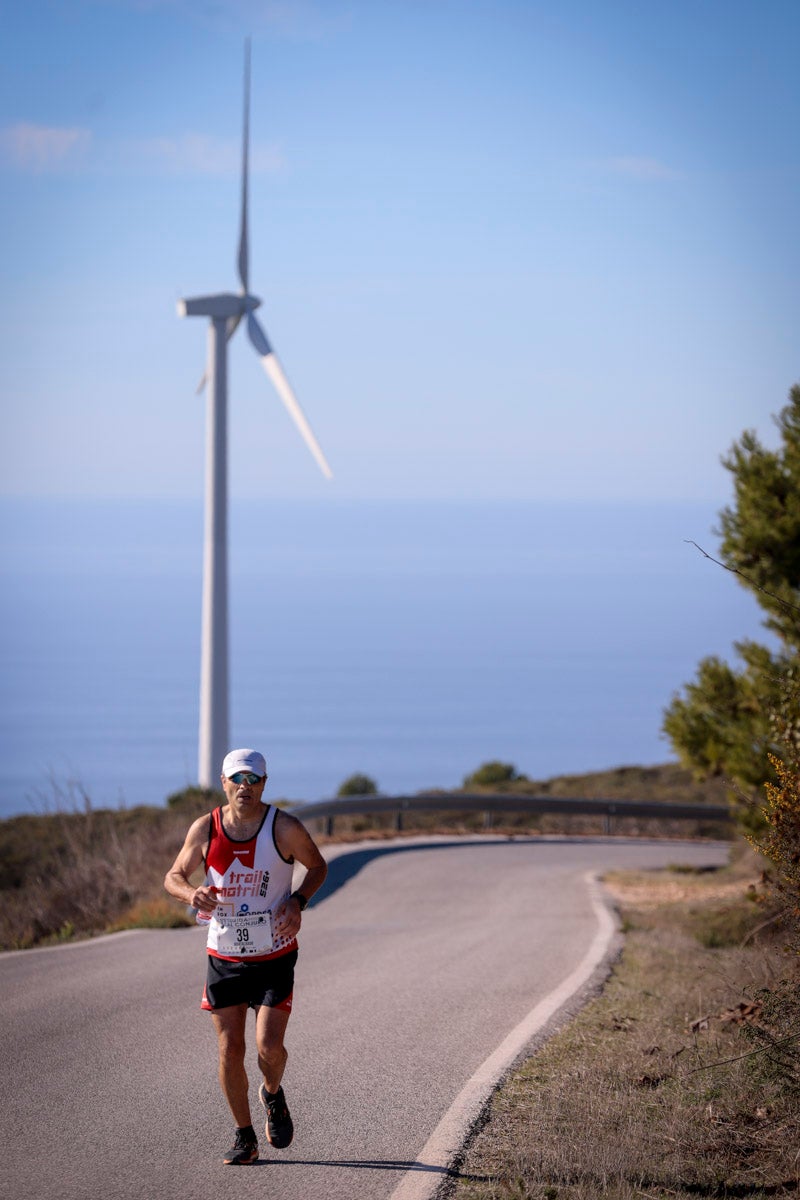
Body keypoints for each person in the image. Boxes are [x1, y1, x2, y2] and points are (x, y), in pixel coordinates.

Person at [164, 748, 328, 1166]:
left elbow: (318, 867)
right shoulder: (206, 828)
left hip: (274, 953)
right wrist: (191, 893)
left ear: (264, 784)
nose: (245, 787)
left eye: (253, 780)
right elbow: (174, 876)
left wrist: (297, 901)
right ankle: (244, 1137)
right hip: (225, 954)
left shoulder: (284, 827)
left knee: (269, 1047)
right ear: (224, 782)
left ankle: (272, 1094)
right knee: (229, 1049)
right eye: (238, 779)